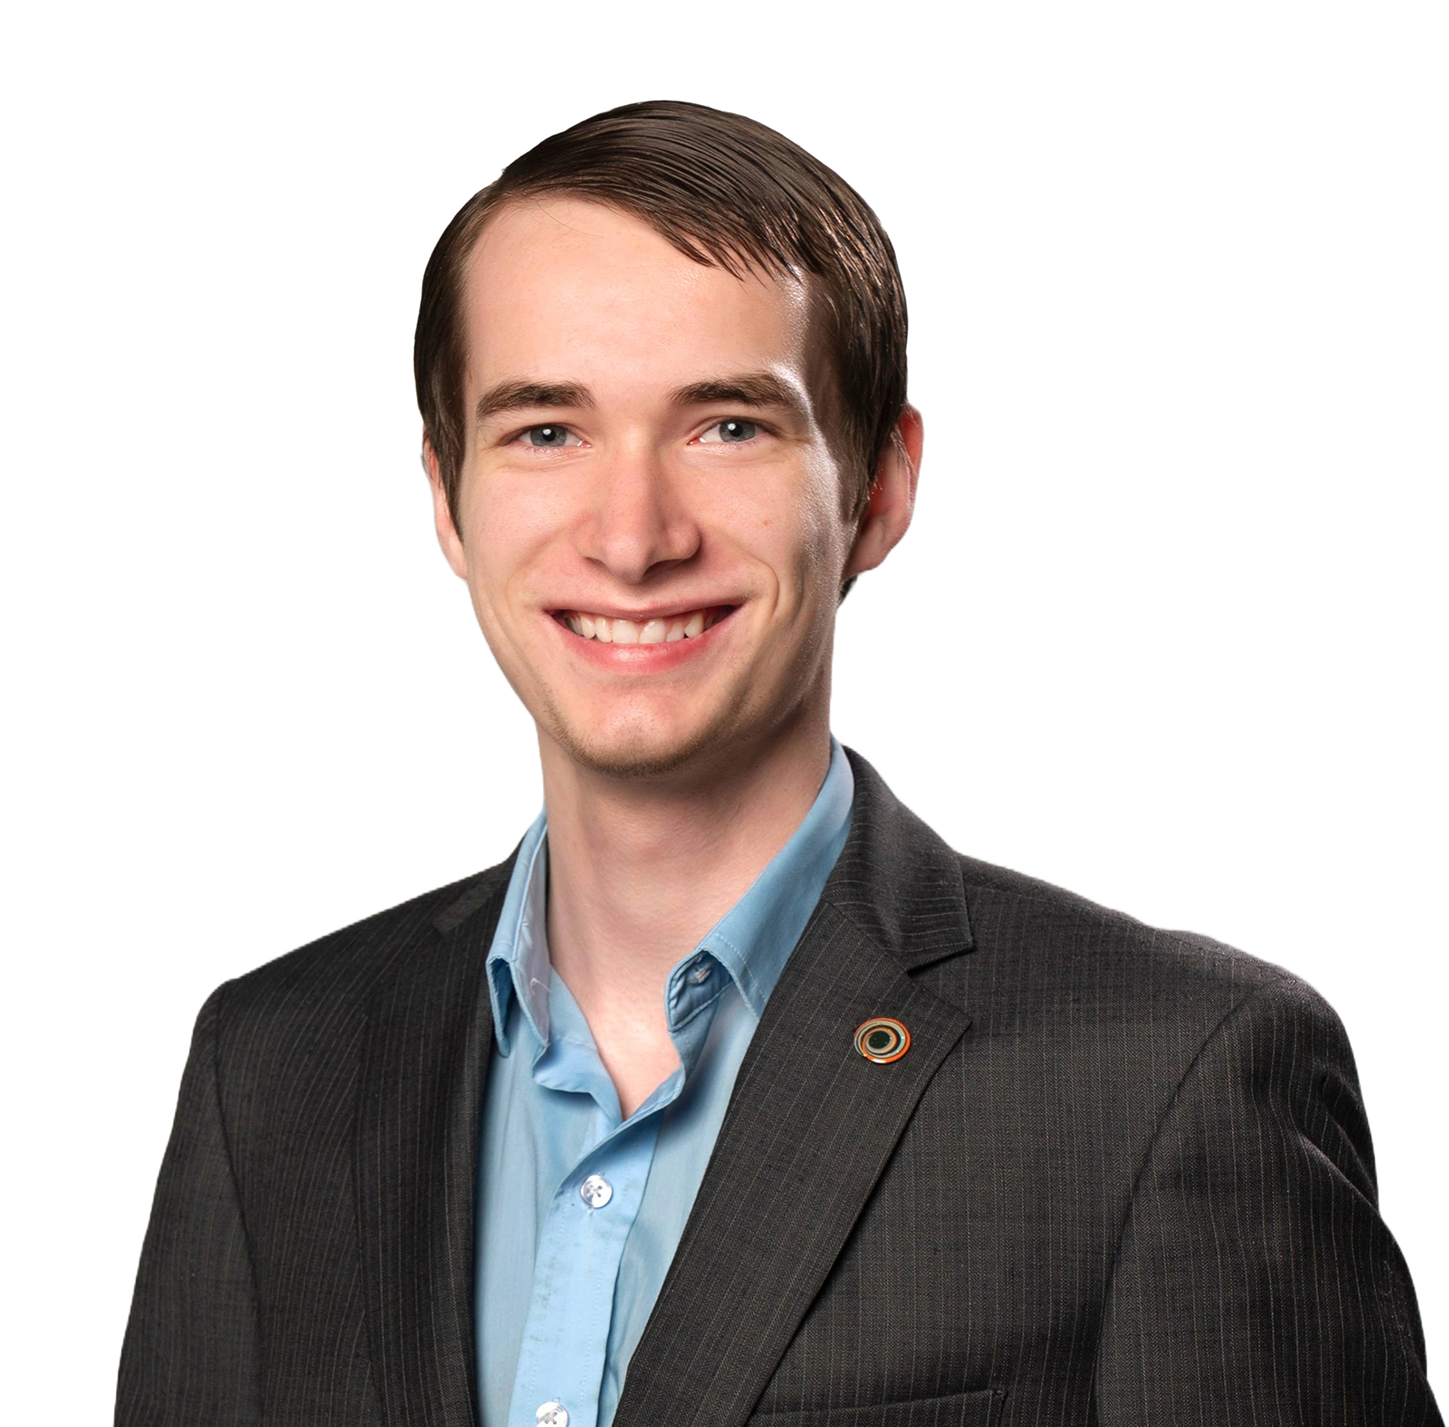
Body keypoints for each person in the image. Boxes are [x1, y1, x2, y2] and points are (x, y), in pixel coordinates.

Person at [116, 98, 1442, 1427]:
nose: (632, 536)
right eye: (546, 430)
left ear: (878, 487)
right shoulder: (272, 1070)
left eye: (729, 426)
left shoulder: (1168, 1080)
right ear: (446, 493)